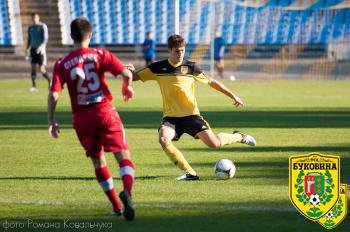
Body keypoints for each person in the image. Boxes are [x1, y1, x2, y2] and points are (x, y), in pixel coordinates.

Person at [127, 34, 256, 181]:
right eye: (177, 51)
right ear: (170, 50)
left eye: (182, 50)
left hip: (191, 116)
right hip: (171, 118)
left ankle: (240, 136)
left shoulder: (191, 67)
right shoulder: (158, 67)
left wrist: (232, 95)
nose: (180, 53)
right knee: (163, 138)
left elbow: (212, 82)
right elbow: (134, 76)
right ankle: (190, 173)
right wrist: (127, 70)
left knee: (214, 143)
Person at [48, 18, 135, 220]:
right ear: (91, 35)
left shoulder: (61, 63)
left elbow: (54, 94)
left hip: (82, 118)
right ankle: (128, 193)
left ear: (71, 37)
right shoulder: (100, 54)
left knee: (98, 161)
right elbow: (126, 74)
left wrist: (52, 120)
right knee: (123, 156)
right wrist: (126, 87)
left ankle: (116, 207)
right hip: (105, 111)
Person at [26, 13, 50, 92]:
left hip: (41, 50)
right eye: (33, 18)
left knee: (42, 69)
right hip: (33, 49)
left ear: (38, 18)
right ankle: (34, 86)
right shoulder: (30, 28)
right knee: (33, 68)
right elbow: (29, 39)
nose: (34, 19)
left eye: (36, 17)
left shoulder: (43, 26)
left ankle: (50, 82)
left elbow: (45, 38)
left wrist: (42, 46)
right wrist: (27, 49)